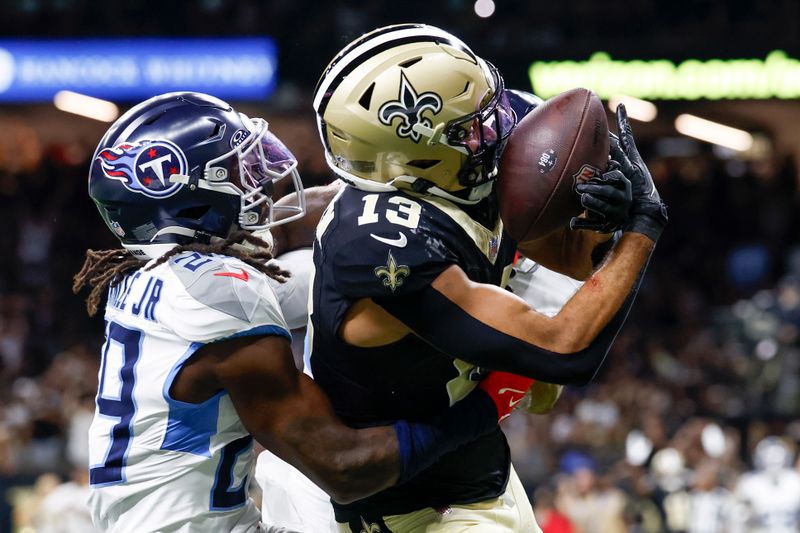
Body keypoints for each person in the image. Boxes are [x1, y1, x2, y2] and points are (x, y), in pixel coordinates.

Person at [73, 91, 522, 533]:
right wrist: (487, 405)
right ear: (190, 201)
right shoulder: (219, 295)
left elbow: (317, 266)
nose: (257, 182)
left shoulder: (160, 272)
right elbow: (345, 468)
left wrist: (400, 205)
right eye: (236, 172)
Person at [309, 23, 667, 531]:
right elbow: (564, 350)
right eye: (474, 126)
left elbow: (568, 257)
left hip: (481, 471)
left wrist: (598, 226)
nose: (503, 122)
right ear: (420, 156)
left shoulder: (458, 160)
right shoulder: (379, 243)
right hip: (414, 507)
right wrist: (641, 227)